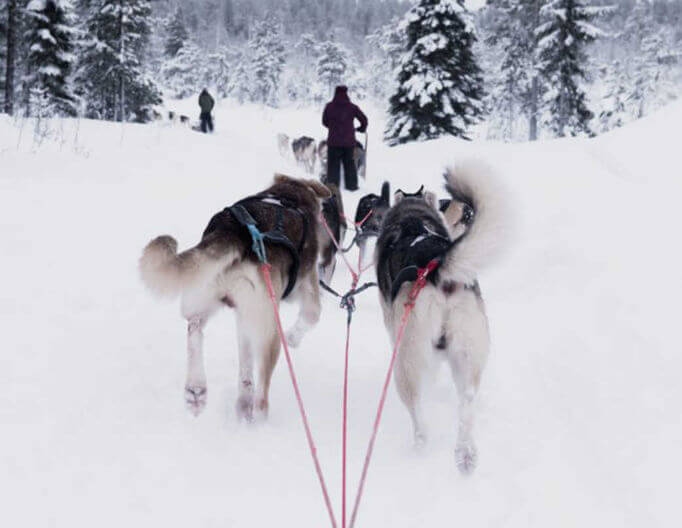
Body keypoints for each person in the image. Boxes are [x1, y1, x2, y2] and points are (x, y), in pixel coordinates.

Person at [322, 86, 368, 191]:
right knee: (350, 165)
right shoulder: (352, 107)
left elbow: (324, 121)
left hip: (333, 142)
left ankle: (333, 188)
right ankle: (352, 187)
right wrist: (361, 128)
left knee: (333, 166)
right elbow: (364, 119)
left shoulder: (329, 107)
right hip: (349, 143)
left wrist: (333, 127)